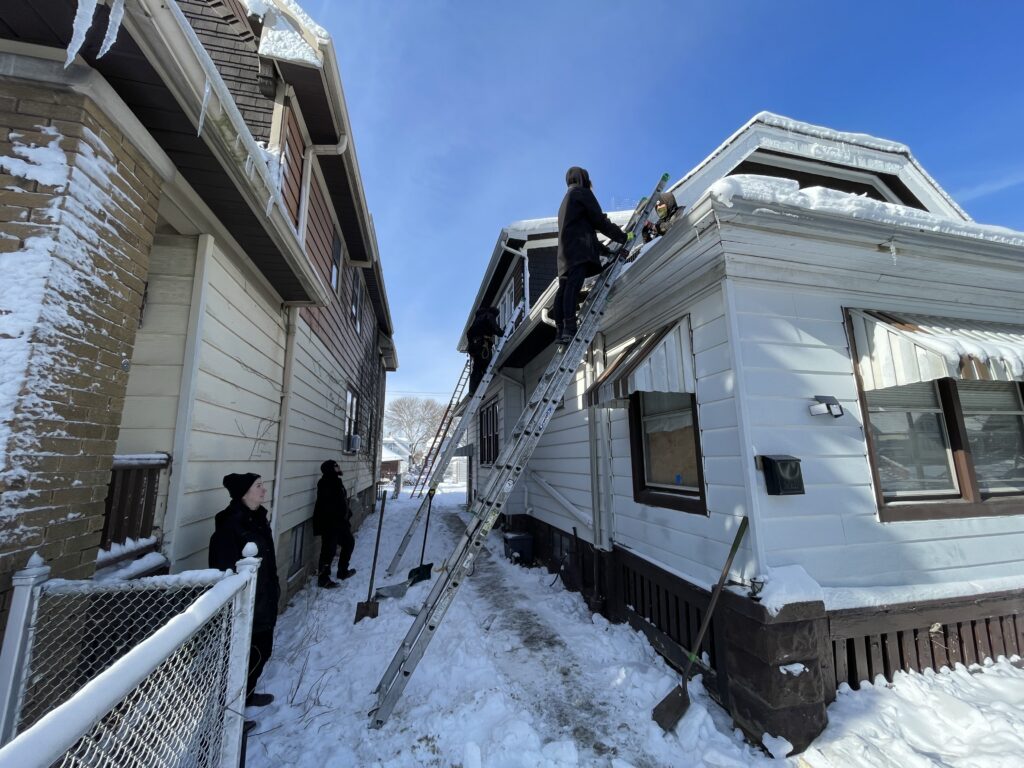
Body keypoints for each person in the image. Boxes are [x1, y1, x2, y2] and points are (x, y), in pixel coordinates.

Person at [209, 472, 279, 713]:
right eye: (258, 486)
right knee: (242, 658)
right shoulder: (231, 524)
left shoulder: (258, 518)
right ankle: (227, 715)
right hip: (245, 603)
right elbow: (224, 568)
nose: (264, 490)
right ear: (244, 493)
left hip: (263, 598)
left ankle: (245, 697)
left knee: (261, 653)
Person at [553, 166, 629, 345]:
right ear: (583, 179)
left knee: (564, 288)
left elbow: (583, 228)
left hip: (565, 253)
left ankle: (560, 331)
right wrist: (622, 236)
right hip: (579, 251)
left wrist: (604, 250)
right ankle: (570, 329)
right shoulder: (582, 193)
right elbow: (598, 220)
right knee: (573, 286)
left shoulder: (566, 200)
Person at [312, 460, 356, 588]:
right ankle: (323, 578)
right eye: (336, 466)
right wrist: (340, 514)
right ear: (330, 469)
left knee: (349, 543)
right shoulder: (325, 483)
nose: (338, 467)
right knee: (328, 551)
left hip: (340, 523)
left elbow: (341, 500)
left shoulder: (337, 481)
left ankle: (343, 571)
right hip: (329, 524)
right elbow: (328, 505)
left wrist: (347, 511)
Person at [466, 306, 503, 394]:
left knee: (476, 368)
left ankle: (473, 391)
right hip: (482, 345)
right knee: (485, 366)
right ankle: (479, 391)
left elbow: (469, 334)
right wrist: (501, 332)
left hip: (474, 346)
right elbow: (494, 326)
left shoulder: (477, 321)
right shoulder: (489, 316)